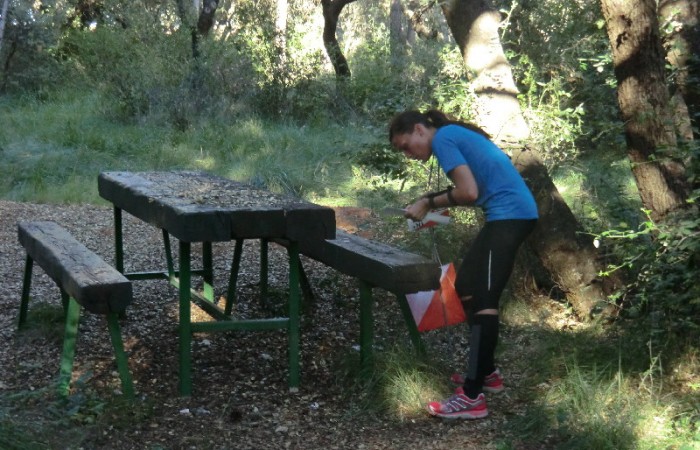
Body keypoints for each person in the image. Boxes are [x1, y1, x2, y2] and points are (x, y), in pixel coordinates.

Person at [388, 109, 538, 419]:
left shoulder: (444, 139)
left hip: (511, 215)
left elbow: (469, 193)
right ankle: (486, 374)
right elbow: (473, 188)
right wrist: (432, 202)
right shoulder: (451, 135)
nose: (408, 154)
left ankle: (472, 396)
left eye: (406, 146)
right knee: (467, 285)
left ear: (419, 129)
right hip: (509, 215)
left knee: (483, 297)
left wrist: (428, 201)